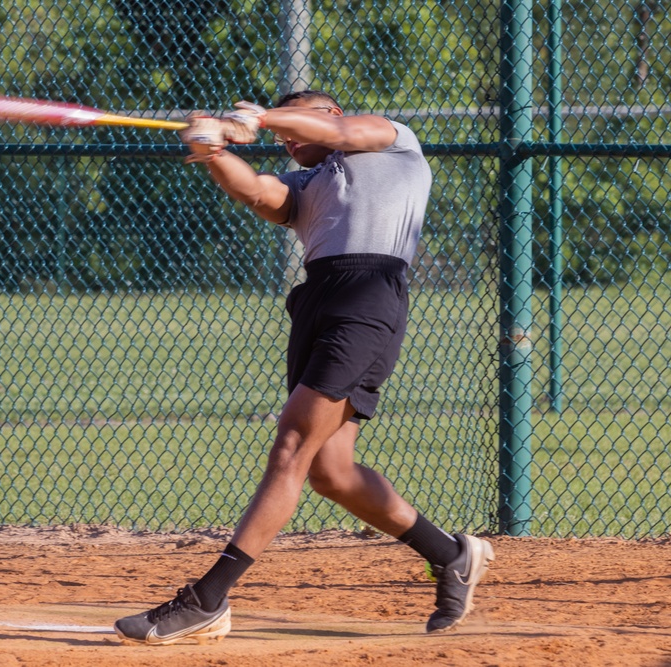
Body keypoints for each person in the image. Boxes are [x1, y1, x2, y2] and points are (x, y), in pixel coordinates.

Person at [113, 90, 495, 646]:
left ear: (332, 115)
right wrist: (213, 151)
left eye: (296, 129)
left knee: (291, 445)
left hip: (368, 297)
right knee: (331, 472)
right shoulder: (307, 184)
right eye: (282, 138)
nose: (288, 143)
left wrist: (257, 118)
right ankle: (452, 555)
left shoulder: (392, 142)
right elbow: (261, 193)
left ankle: (208, 598)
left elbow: (342, 137)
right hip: (318, 301)